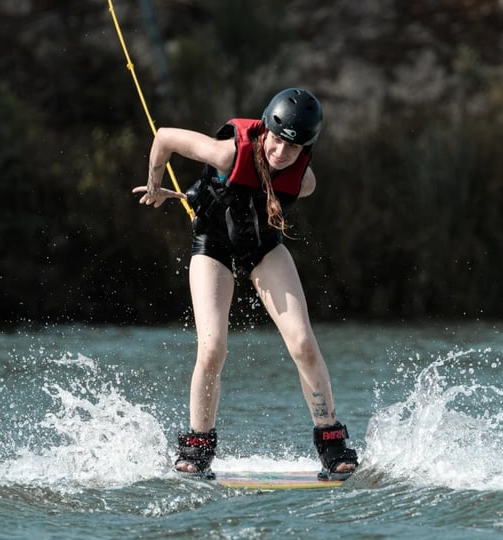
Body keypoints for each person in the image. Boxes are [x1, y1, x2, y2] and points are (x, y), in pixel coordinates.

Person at [132, 88, 357, 481]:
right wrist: (154, 185)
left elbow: (256, 201)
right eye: (278, 140)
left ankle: (331, 441)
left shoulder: (304, 181)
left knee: (304, 344)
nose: (282, 153)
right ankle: (198, 447)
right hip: (212, 249)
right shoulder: (228, 153)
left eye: (295, 147)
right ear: (267, 128)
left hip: (264, 249)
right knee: (213, 348)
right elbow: (164, 136)